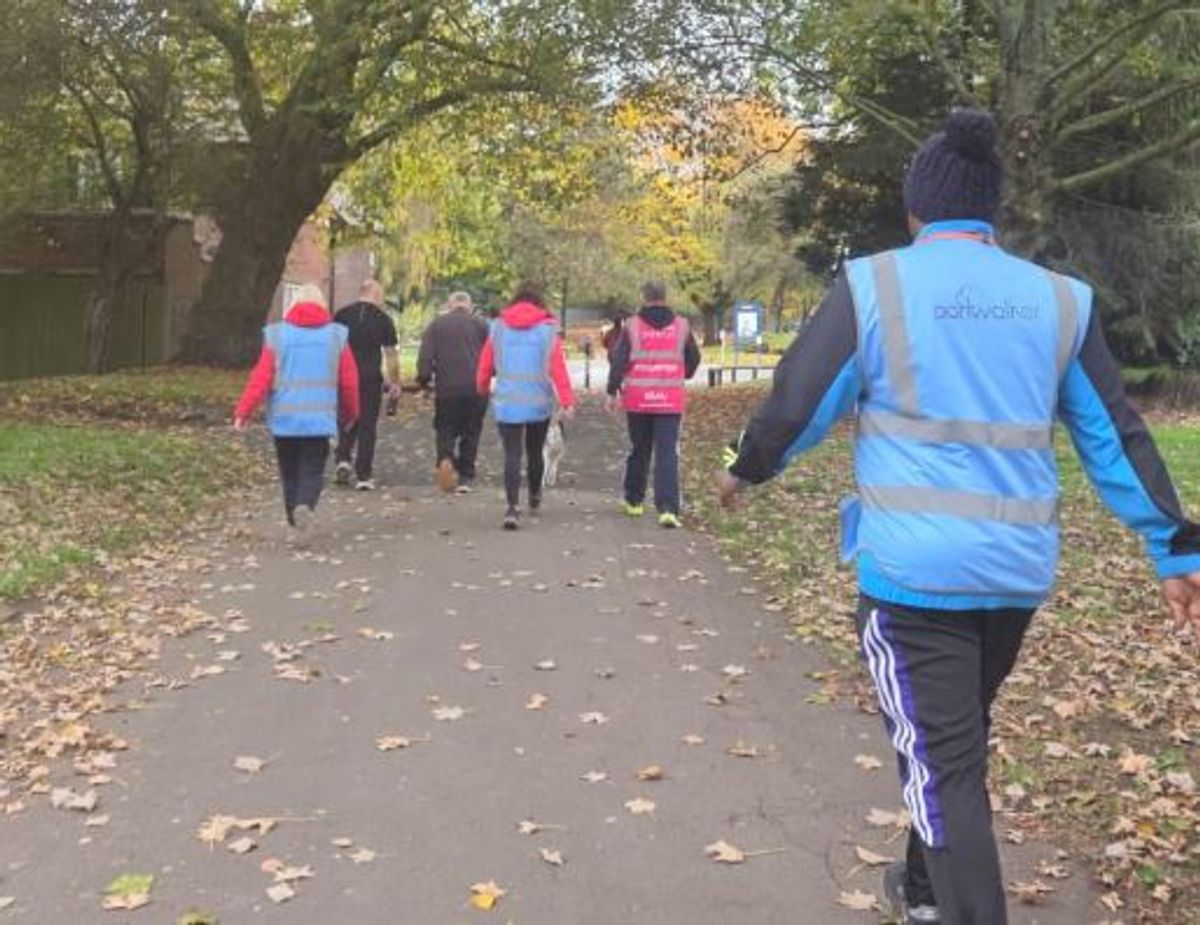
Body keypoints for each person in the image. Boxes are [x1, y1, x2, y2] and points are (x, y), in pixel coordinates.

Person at [715, 109, 1200, 925]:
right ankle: (927, 891)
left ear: (916, 210)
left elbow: (799, 402)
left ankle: (963, 907)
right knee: (952, 746)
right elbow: (1114, 435)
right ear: (989, 214)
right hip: (1013, 580)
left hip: (912, 581)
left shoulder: (874, 285)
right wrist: (1174, 546)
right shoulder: (1060, 301)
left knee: (942, 769)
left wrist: (747, 468)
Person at [234, 284, 360, 543]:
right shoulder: (336, 337)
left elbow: (261, 378)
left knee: (289, 472)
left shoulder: (277, 336)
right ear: (323, 306)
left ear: (293, 306)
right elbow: (349, 381)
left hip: (285, 420)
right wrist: (351, 412)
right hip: (319, 420)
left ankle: (294, 523)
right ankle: (305, 505)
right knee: (312, 470)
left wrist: (243, 412)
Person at [476, 282, 575, 530]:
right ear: (539, 302)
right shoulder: (547, 330)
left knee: (511, 454)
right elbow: (558, 369)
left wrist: (481, 387)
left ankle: (511, 508)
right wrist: (567, 400)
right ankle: (534, 496)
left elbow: (485, 364)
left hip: (508, 402)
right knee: (534, 451)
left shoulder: (498, 328)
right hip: (538, 401)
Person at [606, 281, 701, 528]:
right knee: (667, 452)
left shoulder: (633, 326)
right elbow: (694, 358)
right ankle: (668, 507)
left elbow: (619, 360)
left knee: (639, 449)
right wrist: (683, 373)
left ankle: (634, 500)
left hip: (638, 399)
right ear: (665, 297)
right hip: (670, 399)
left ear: (644, 297)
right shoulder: (681, 326)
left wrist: (611, 390)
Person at [417, 290, 490, 492]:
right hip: (476, 388)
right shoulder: (482, 325)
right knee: (472, 431)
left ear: (450, 306)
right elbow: (492, 355)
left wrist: (424, 381)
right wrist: (491, 374)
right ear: (470, 306)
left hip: (447, 389)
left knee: (445, 429)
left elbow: (425, 357)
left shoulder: (436, 326)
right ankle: (466, 476)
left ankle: (446, 459)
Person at [333, 279, 400, 491]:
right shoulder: (383, 319)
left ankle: (343, 459)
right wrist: (395, 382)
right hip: (370, 377)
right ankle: (363, 474)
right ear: (377, 294)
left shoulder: (341, 315)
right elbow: (391, 355)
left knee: (345, 418)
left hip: (344, 376)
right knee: (367, 424)